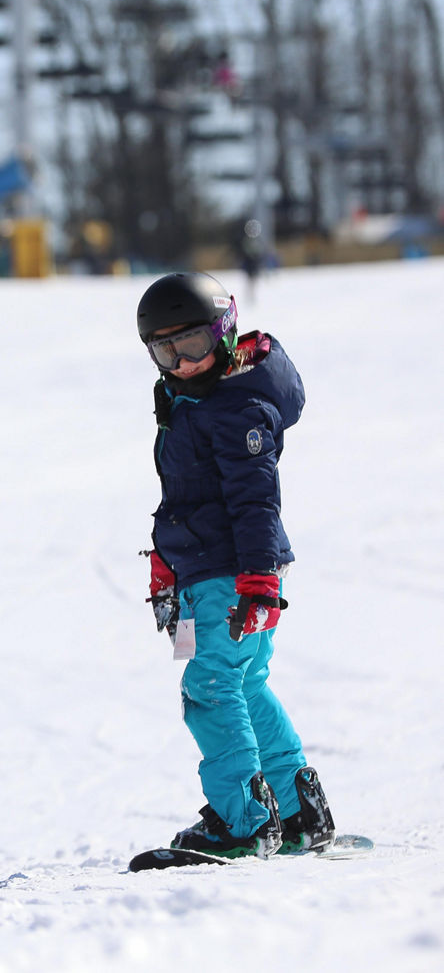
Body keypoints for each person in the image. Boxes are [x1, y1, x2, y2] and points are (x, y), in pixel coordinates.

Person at [136, 272, 335, 858]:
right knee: (245, 682)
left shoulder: (236, 407)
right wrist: (168, 564)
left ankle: (243, 820)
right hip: (214, 569)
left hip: (234, 573)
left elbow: (254, 502)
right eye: (166, 350)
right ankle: (297, 812)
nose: (183, 361)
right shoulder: (196, 397)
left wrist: (256, 579)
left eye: (193, 345)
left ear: (222, 334)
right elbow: (189, 498)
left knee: (211, 688)